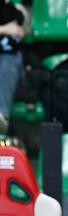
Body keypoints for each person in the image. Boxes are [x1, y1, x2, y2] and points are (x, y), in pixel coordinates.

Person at [0, 0, 26, 134]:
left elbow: (19, 26)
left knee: (11, 57)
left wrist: (20, 11)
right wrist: (3, 30)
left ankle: (1, 118)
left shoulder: (6, 8)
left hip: (12, 75)